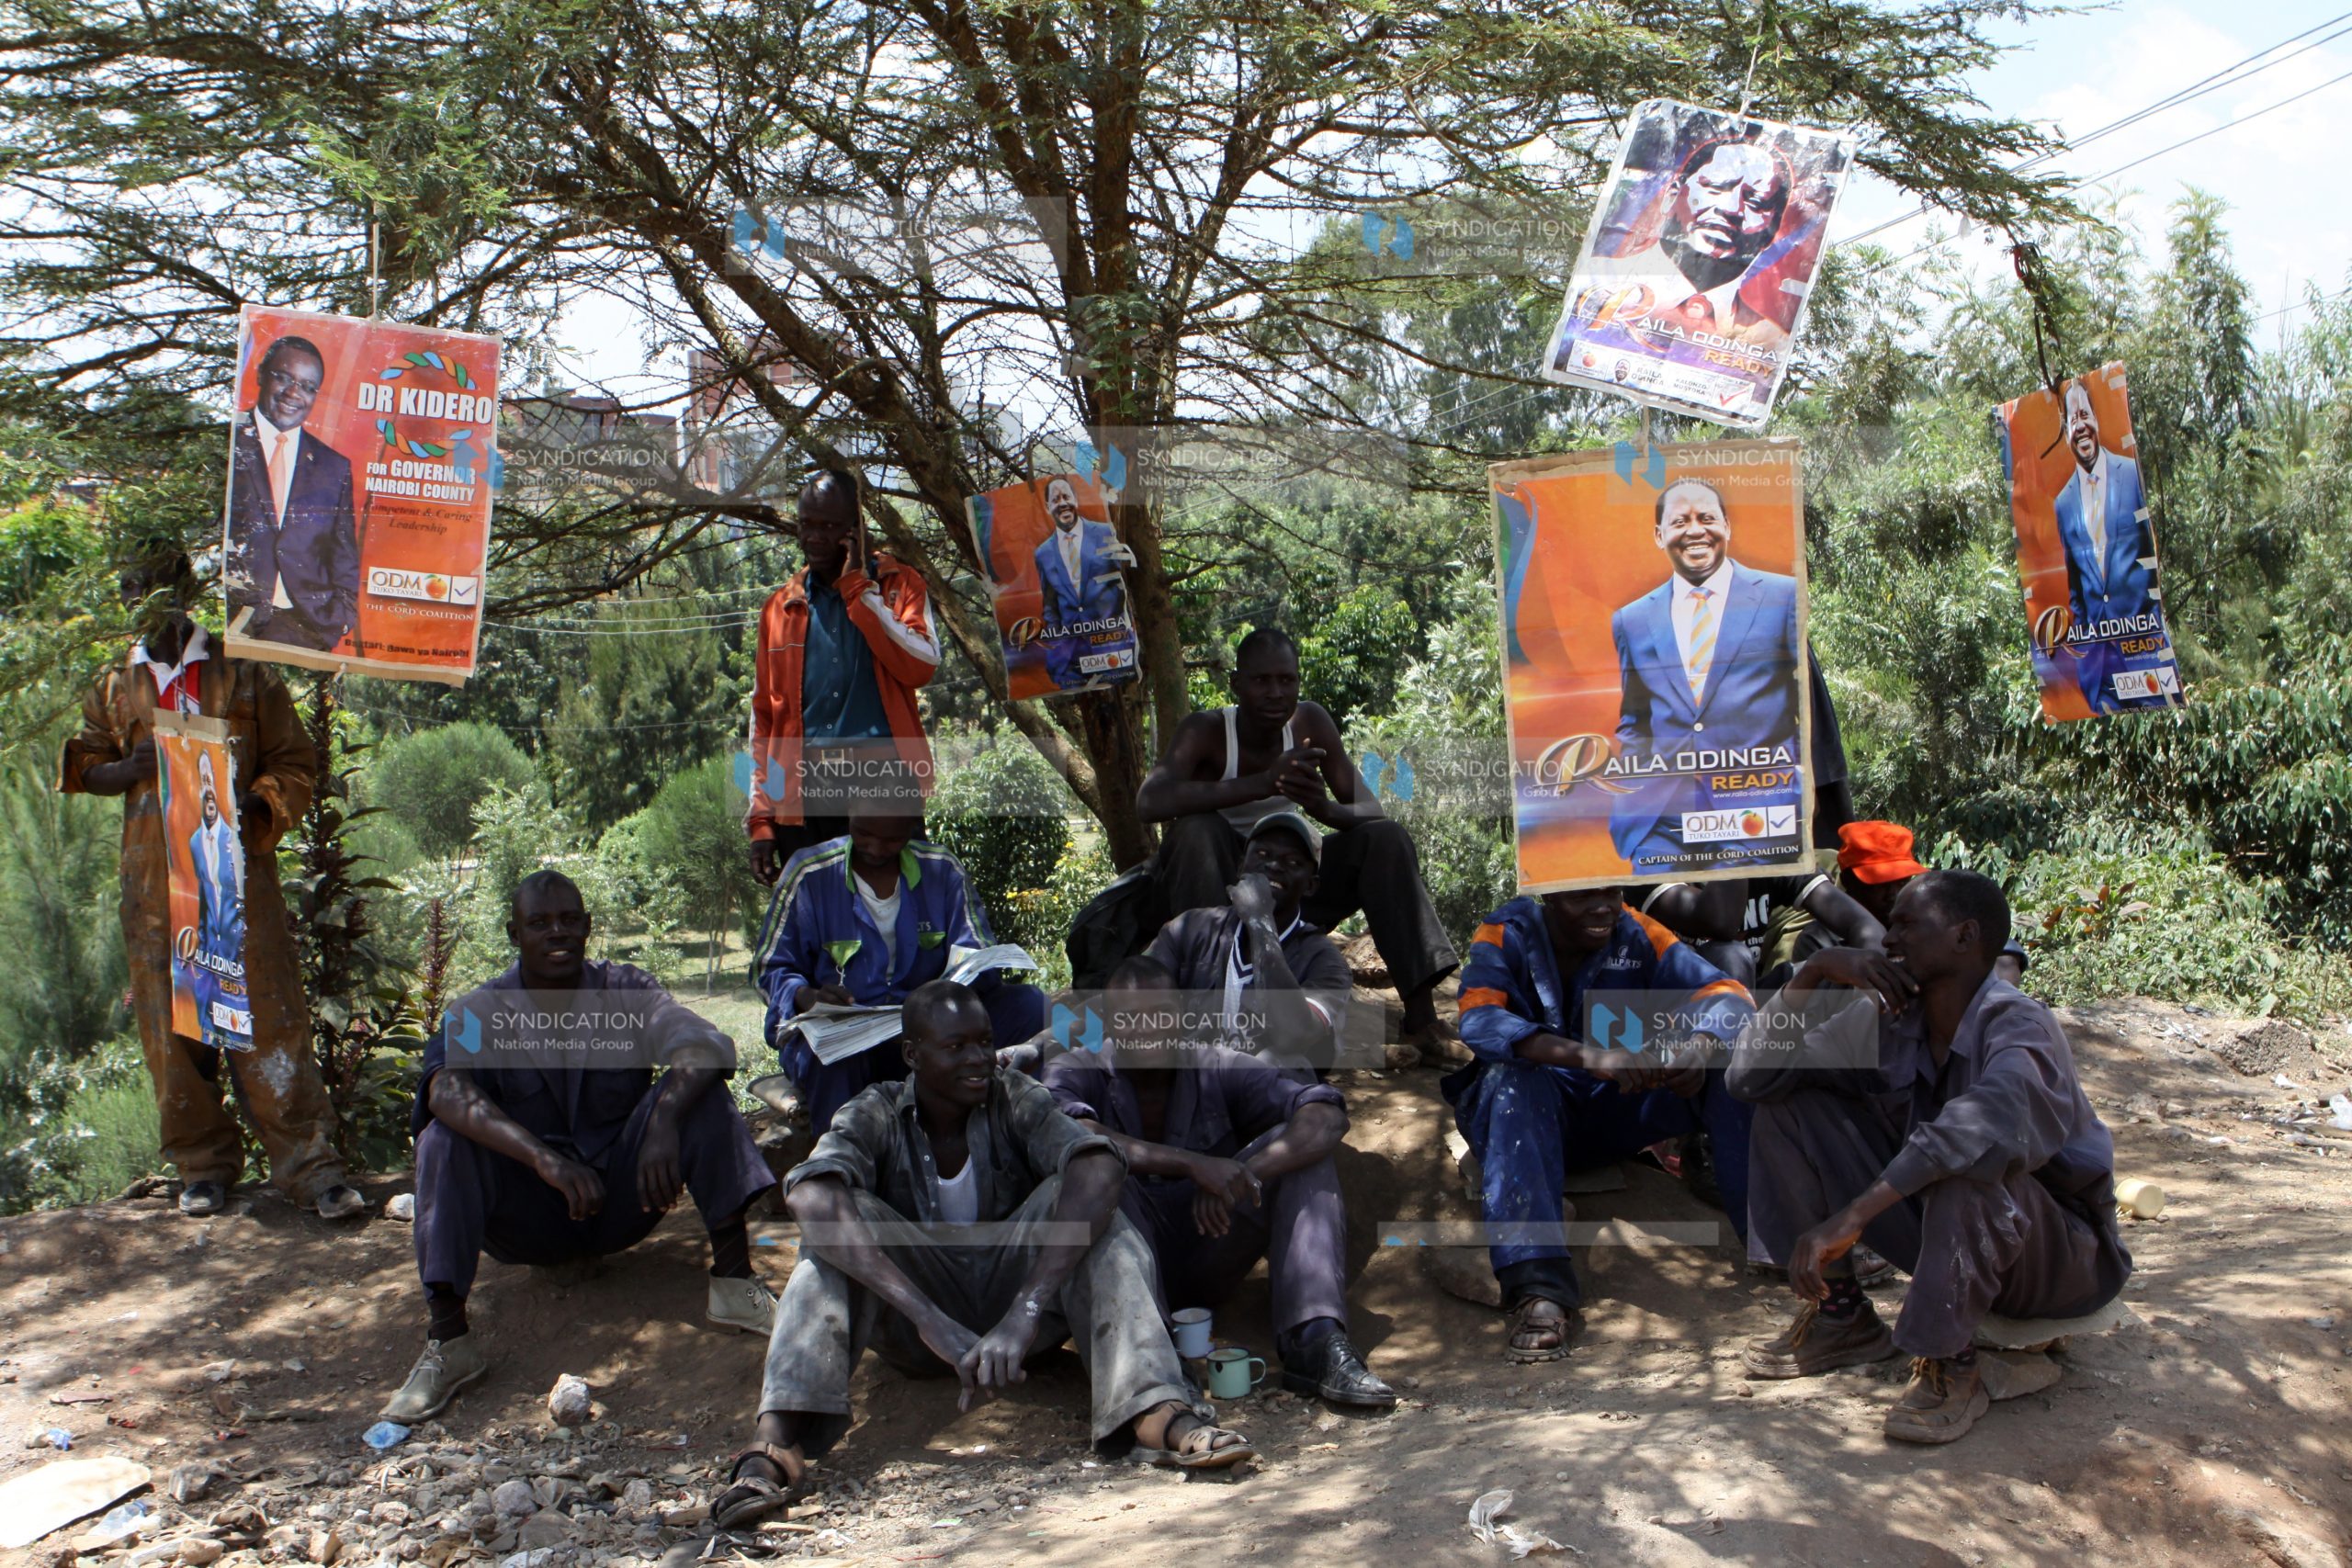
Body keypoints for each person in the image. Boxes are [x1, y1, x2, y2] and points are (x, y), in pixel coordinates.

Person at [714, 980, 1250, 1527]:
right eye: (956, 1047)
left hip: (1018, 1325)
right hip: (917, 1329)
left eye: (985, 1042)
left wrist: (1026, 1309)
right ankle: (778, 1441)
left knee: (1085, 1203)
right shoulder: (874, 1111)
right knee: (832, 1225)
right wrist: (928, 1318)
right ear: (912, 1055)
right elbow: (809, 1193)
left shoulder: (1015, 1096)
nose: (978, 1059)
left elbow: (1099, 1165)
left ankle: (1156, 1409)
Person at [1729, 869, 2131, 1444]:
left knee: (1966, 1165)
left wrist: (1853, 1217)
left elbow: (1970, 1132)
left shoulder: (2019, 1024)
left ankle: (1953, 1365)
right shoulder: (1891, 1018)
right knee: (1789, 1107)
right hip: (1950, 1237)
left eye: (1907, 925)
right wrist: (1815, 972)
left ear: (1964, 936)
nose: (1888, 939)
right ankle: (1842, 1318)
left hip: (2060, 1261)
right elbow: (1751, 1080)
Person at [383, 871, 778, 1421]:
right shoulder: (479, 1013)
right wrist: (543, 1159)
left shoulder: (627, 991)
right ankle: (450, 1343)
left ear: (588, 927)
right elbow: (446, 1089)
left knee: (700, 1092)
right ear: (514, 933)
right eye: (539, 923)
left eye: (570, 920)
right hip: (527, 1215)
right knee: (443, 1137)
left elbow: (704, 1042)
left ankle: (735, 1282)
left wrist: (664, 1119)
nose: (557, 932)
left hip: (622, 1200)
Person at [62, 543, 362, 1222]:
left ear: (183, 588)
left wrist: (248, 801)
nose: (137, 598)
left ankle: (313, 1170)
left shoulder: (244, 670)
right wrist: (133, 766)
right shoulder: (113, 684)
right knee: (174, 1030)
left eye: (150, 583)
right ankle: (202, 1168)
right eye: (127, 585)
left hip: (237, 877)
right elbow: (87, 767)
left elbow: (295, 762)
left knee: (268, 1020)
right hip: (154, 885)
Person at [1043, 953, 1396, 1409]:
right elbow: (1071, 1134)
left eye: (1161, 1015)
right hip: (1124, 1262)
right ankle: (1155, 1363)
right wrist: (1194, 1164)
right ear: (1108, 1022)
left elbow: (1326, 1116)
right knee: (1100, 1165)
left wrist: (1243, 1177)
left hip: (1211, 1242)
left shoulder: (1218, 1064)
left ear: (1182, 1016)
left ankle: (1316, 1342)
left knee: (1303, 1157)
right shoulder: (1074, 1069)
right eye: (1129, 1018)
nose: (1147, 1029)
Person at [1445, 888, 1754, 1361]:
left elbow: (1728, 995)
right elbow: (1480, 1019)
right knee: (1512, 1079)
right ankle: (1538, 1288)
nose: (1602, 907)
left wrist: (1700, 1045)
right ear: (1550, 894)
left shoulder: (1638, 931)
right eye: (1582, 895)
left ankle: (1776, 1237)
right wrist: (1594, 1058)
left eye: (1611, 891)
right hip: (1524, 1114)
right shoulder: (1505, 932)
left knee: (1727, 1061)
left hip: (1612, 1110)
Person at [1134, 627, 1457, 1048]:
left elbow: (1370, 809)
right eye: (1261, 680)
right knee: (1197, 829)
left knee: (1387, 839)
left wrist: (1323, 808)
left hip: (1290, 887)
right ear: (1236, 684)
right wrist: (1264, 782)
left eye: (1286, 680)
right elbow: (1149, 801)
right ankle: (1209, 1013)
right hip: (1219, 892)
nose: (1275, 693)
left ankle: (1421, 1020)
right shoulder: (1206, 731)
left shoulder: (1309, 723)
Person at [752, 806, 1046, 1132]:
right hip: (848, 1041)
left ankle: (1019, 1129)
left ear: (912, 827)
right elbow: (769, 968)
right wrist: (805, 995)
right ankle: (845, 1155)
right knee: (831, 1059)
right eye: (864, 833)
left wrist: (945, 996)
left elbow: (978, 952)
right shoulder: (809, 873)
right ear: (850, 815)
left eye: (892, 839)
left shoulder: (942, 870)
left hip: (934, 1032)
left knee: (1028, 1005)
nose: (876, 849)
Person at [745, 468, 940, 885]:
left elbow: (921, 665)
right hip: (804, 797)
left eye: (829, 526)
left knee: (898, 914)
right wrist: (761, 819)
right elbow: (763, 722)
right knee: (815, 920)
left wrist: (858, 590)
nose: (814, 538)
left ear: (855, 529)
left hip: (886, 791)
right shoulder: (779, 609)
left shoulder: (899, 585)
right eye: (806, 525)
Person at [1610, 475, 1804, 875]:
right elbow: (1635, 720)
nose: (1695, 530)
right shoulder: (1632, 620)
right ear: (1659, 535)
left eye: (1707, 518)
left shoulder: (1783, 597)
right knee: (1660, 912)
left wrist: (1799, 783)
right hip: (1665, 821)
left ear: (1727, 527)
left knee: (1731, 908)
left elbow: (1809, 706)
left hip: (1759, 811)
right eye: (1680, 522)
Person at [1143, 809, 1354, 1071]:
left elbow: (1293, 1036)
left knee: (1280, 1062)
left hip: (1273, 1091)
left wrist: (1259, 921)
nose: (1274, 866)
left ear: (1311, 886)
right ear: (1241, 866)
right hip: (1191, 1082)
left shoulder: (1323, 960)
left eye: (1292, 862)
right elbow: (1134, 1001)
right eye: (1262, 854)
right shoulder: (1191, 929)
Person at [1561, 137, 1797, 357]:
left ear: (1774, 229)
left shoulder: (1767, 343)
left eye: (1756, 202)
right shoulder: (1592, 282)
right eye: (1716, 187)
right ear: (1672, 195)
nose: (1732, 209)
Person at [225, 334, 359, 652]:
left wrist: (341, 618)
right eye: (284, 378)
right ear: (261, 374)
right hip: (233, 621)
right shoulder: (228, 441)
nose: (293, 393)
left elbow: (344, 554)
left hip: (306, 628)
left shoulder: (333, 467)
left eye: (308, 386)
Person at [1032, 477, 1129, 633]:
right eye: (1056, 500)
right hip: (1072, 642)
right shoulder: (1043, 554)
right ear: (1047, 507)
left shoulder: (1106, 532)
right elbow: (1050, 606)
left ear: (1076, 500)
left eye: (1066, 497)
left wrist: (1122, 629)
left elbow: (1123, 582)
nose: (1062, 503)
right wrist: (1058, 641)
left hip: (1111, 636)